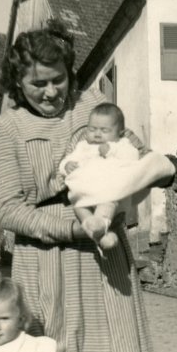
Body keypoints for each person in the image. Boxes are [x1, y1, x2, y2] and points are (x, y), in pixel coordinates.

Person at [0, 18, 175, 352]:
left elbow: (134, 156)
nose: (50, 93)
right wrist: (75, 224)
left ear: (71, 73)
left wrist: (119, 194)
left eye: (58, 80)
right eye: (37, 84)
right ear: (16, 83)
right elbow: (9, 210)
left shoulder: (92, 108)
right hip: (42, 258)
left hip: (102, 255)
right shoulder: (3, 129)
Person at [59, 102, 140, 250]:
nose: (97, 134)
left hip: (106, 192)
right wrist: (66, 166)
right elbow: (68, 159)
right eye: (92, 129)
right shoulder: (82, 146)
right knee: (78, 206)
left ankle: (101, 225)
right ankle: (92, 228)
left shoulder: (122, 144)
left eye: (104, 130)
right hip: (83, 193)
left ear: (120, 133)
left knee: (108, 204)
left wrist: (111, 151)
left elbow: (133, 157)